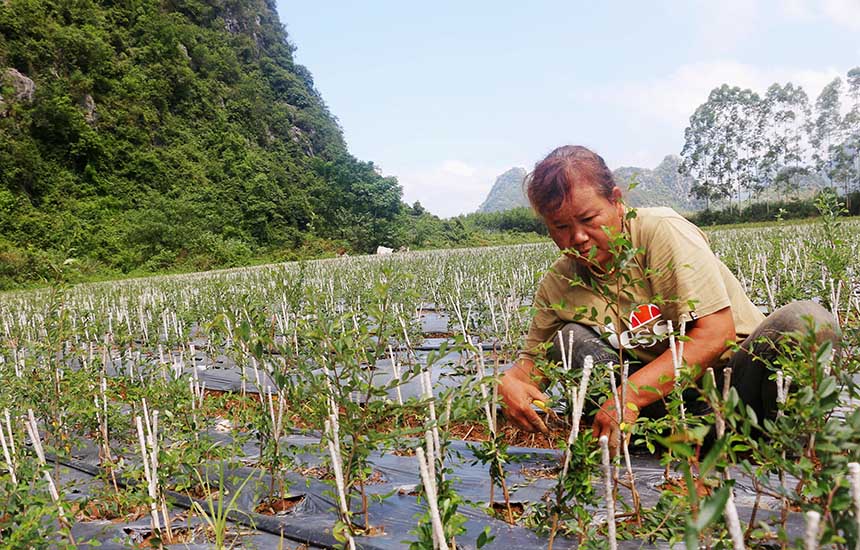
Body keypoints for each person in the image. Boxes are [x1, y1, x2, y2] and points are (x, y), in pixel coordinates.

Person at [498, 145, 839, 453]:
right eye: (560, 227)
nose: (579, 238)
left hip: (734, 392)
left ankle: (789, 458)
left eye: (589, 219)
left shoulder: (660, 231)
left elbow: (714, 335)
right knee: (569, 339)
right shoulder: (559, 282)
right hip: (661, 412)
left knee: (807, 321)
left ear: (616, 200)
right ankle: (648, 444)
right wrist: (510, 385)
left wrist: (628, 395)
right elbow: (530, 370)